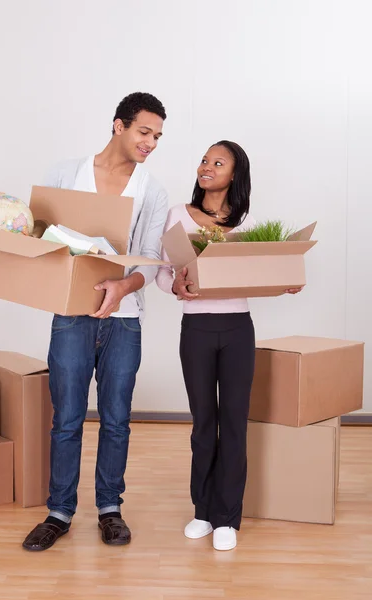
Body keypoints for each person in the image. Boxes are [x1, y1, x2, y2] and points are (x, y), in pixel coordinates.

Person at [0, 92, 169, 550]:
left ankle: (110, 509)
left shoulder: (152, 189)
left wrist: (122, 288)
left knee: (116, 419)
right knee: (67, 418)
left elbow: (149, 259)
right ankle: (60, 512)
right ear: (119, 125)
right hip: (71, 315)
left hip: (124, 320)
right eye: (144, 132)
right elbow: (35, 240)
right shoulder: (65, 174)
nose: (151, 142)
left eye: (157, 136)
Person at [156, 140, 301, 551]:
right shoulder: (176, 217)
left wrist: (282, 282)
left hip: (238, 330)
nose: (207, 167)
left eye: (218, 163)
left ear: (234, 175)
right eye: (204, 160)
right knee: (204, 424)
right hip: (196, 331)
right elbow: (163, 275)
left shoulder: (247, 223)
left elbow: (256, 277)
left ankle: (227, 518)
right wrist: (176, 286)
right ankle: (202, 511)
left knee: (234, 422)